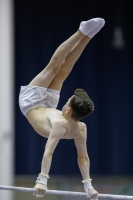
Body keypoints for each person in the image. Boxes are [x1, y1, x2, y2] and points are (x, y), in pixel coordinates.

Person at [19, 17, 105, 199]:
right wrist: (88, 187)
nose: (65, 101)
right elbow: (82, 158)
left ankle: (80, 32)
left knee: (53, 67)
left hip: (31, 103)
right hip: (47, 106)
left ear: (68, 110)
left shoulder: (67, 126)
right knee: (65, 71)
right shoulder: (80, 127)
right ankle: (88, 34)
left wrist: (42, 179)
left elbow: (49, 153)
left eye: (67, 102)